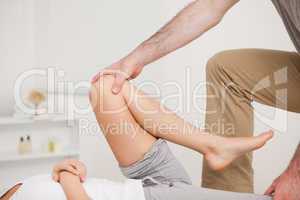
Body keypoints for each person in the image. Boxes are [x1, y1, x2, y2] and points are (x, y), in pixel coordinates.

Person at [91, 0, 300, 199]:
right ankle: (216, 151)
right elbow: (209, 6)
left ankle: (214, 149)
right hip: (155, 180)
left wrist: (296, 174)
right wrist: (134, 59)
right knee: (225, 69)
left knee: (106, 89)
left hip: (154, 182)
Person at [0, 75, 274, 200]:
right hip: (147, 197)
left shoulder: (13, 189)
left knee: (106, 88)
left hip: (141, 179)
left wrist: (62, 169)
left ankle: (211, 144)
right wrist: (68, 179)